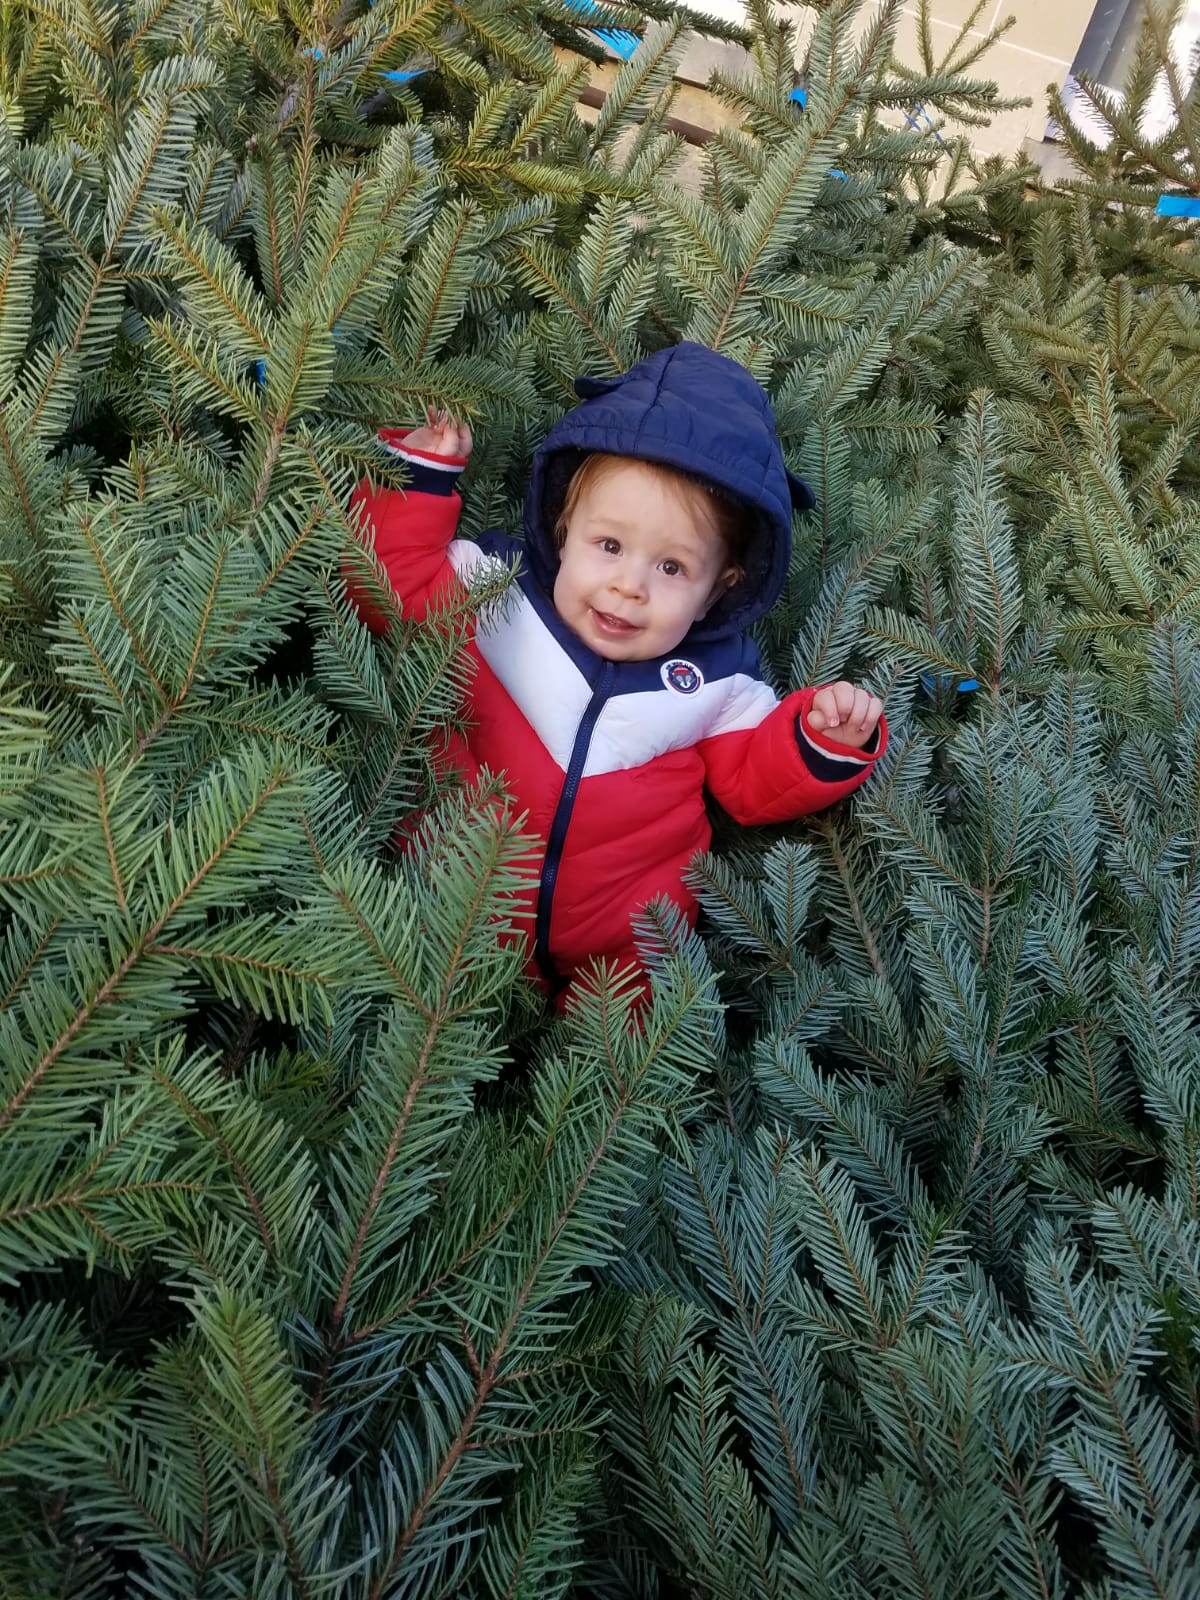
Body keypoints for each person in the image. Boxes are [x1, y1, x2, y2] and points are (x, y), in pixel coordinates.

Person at [349, 342, 886, 999]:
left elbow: (755, 781)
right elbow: (388, 589)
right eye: (609, 546)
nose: (630, 586)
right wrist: (420, 477)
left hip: (622, 949)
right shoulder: (498, 596)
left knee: (637, 1043)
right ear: (565, 526)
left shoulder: (717, 681)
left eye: (672, 567)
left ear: (721, 586)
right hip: (447, 905)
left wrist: (823, 737)